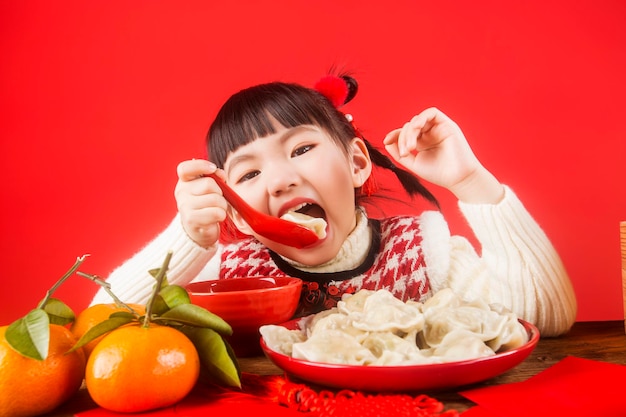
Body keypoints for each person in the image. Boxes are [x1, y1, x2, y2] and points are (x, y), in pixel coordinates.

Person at [91, 73, 577, 337]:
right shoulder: (230, 274)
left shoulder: (424, 256)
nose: (281, 179)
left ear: (358, 163)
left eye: (301, 150)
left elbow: (546, 318)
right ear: (235, 211)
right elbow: (102, 322)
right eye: (250, 173)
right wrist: (188, 240)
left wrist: (471, 181)